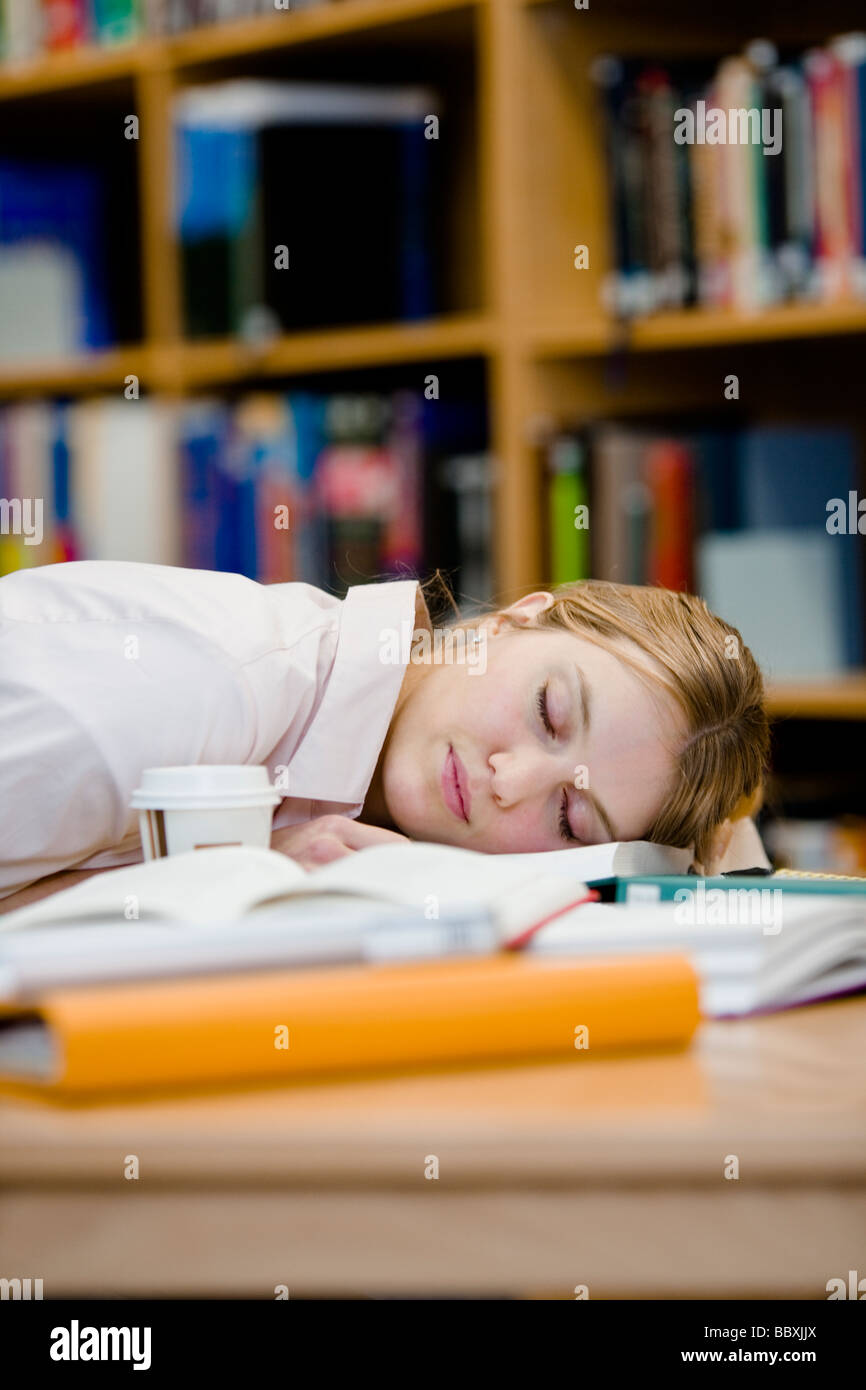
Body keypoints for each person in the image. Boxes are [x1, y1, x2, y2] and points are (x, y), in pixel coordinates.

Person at [0, 560, 769, 905]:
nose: (511, 779)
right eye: (549, 713)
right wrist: (234, 879)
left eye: (569, 819)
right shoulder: (192, 689)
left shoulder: (371, 815)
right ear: (511, 620)